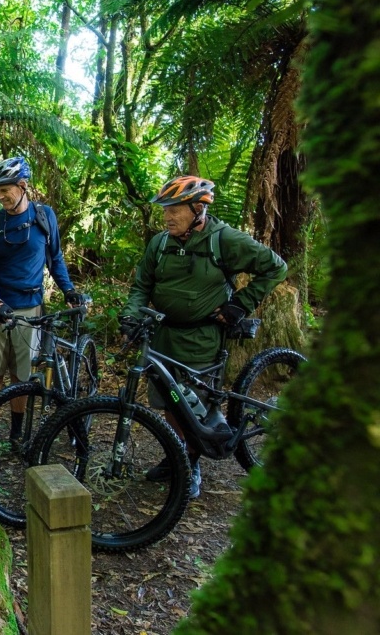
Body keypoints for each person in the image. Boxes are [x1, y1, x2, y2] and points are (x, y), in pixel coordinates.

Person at [120, 176, 287, 499]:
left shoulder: (224, 240)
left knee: (196, 403)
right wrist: (131, 315)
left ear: (198, 209)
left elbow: (275, 267)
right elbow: (142, 286)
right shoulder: (160, 244)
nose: (167, 217)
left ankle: (191, 463)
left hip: (202, 337)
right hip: (164, 336)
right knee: (169, 399)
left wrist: (240, 304)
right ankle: (177, 455)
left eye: (175, 210)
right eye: (165, 210)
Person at [0, 156, 82, 455]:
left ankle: (16, 434)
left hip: (31, 308)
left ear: (23, 186)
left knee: (22, 377)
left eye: (5, 190)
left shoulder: (44, 217)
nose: (0, 196)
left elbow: (55, 259)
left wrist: (69, 290)